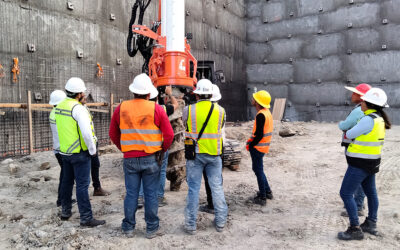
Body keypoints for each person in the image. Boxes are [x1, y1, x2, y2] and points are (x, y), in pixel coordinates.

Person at [109, 73, 174, 239]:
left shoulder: (121, 108)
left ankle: (128, 227)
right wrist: (162, 150)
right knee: (151, 194)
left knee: (131, 194)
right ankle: (151, 228)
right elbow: (169, 135)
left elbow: (113, 133)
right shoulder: (157, 109)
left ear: (133, 92)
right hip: (151, 158)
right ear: (148, 94)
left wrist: (124, 148)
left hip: (130, 158)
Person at [338, 88, 391, 240]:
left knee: (346, 193)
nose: (361, 102)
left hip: (360, 164)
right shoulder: (379, 118)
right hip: (371, 163)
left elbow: (349, 133)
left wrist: (349, 129)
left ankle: (355, 228)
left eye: (363, 100)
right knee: (371, 192)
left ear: (368, 103)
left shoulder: (368, 120)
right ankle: (371, 223)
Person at [56, 77, 105, 227]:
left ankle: (66, 211)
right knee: (82, 186)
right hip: (80, 153)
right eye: (83, 92)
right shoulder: (78, 109)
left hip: (65, 152)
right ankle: (86, 217)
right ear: (78, 94)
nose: (84, 94)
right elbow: (86, 133)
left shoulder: (60, 106)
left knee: (67, 181)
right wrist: (92, 151)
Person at [183, 79, 228, 234]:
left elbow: (185, 125)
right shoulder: (221, 111)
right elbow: (220, 128)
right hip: (214, 154)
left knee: (193, 189)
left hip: (195, 155)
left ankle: (190, 225)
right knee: (217, 187)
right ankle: (221, 222)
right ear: (210, 94)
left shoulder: (188, 110)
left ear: (197, 95)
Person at [137, 85, 179, 208]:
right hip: (158, 148)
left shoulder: (136, 109)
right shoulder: (161, 109)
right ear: (156, 98)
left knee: (140, 172)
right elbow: (176, 105)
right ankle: (159, 197)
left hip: (141, 146)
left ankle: (140, 197)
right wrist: (169, 94)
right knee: (160, 172)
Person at [339, 83, 371, 217]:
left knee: (356, 177)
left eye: (354, 93)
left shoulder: (358, 110)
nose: (351, 95)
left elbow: (345, 125)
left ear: (361, 96)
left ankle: (357, 206)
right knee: (362, 178)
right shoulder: (364, 110)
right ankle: (359, 201)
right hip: (360, 148)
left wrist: (341, 124)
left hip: (353, 147)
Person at [199, 83, 224, 214]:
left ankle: (212, 204)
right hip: (219, 148)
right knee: (217, 180)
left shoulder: (197, 110)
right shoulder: (221, 111)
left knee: (209, 180)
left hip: (204, 149)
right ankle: (218, 206)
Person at [246, 90, 274, 206]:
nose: (252, 100)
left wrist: (251, 144)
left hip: (258, 147)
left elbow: (259, 134)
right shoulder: (267, 112)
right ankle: (267, 191)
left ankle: (262, 197)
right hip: (263, 147)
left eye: (254, 98)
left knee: (258, 170)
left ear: (258, 102)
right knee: (259, 170)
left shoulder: (261, 115)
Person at [80, 96, 111, 196]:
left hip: (91, 142)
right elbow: (85, 132)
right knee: (85, 170)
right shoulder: (77, 110)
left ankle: (97, 188)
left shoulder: (84, 107)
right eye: (83, 95)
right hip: (85, 144)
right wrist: (92, 147)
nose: (85, 97)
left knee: (95, 165)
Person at [49, 90, 72, 207]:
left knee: (65, 175)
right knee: (65, 176)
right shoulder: (59, 113)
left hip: (58, 149)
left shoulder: (53, 112)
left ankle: (63, 198)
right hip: (62, 149)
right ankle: (61, 200)